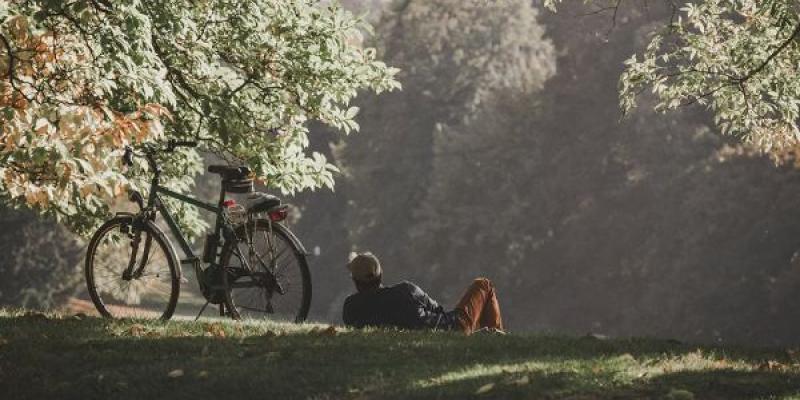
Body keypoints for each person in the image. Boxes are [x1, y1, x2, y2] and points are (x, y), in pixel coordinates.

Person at [342, 252, 504, 334]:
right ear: (380, 275)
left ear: (356, 282)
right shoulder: (406, 290)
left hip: (432, 334)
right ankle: (497, 337)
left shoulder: (350, 307)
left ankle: (492, 336)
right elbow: (438, 310)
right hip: (450, 328)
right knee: (484, 285)